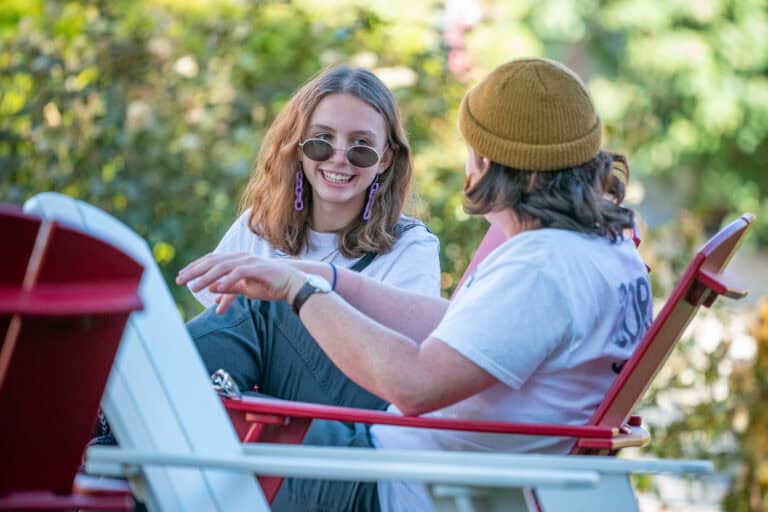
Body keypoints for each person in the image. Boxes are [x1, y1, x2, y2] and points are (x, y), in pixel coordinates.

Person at [178, 57, 653, 512]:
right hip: (428, 472)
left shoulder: (542, 266)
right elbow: (461, 331)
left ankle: (121, 426)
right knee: (217, 392)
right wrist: (327, 277)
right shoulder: (603, 252)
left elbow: (415, 385)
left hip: (391, 484)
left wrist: (299, 292)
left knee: (196, 432)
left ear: (490, 161)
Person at [185, 65, 441, 405]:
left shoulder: (411, 246)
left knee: (273, 292)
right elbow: (223, 332)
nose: (339, 159)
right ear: (299, 144)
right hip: (269, 406)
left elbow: (409, 357)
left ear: (385, 159)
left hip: (357, 405)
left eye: (360, 146)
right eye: (322, 140)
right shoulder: (259, 226)